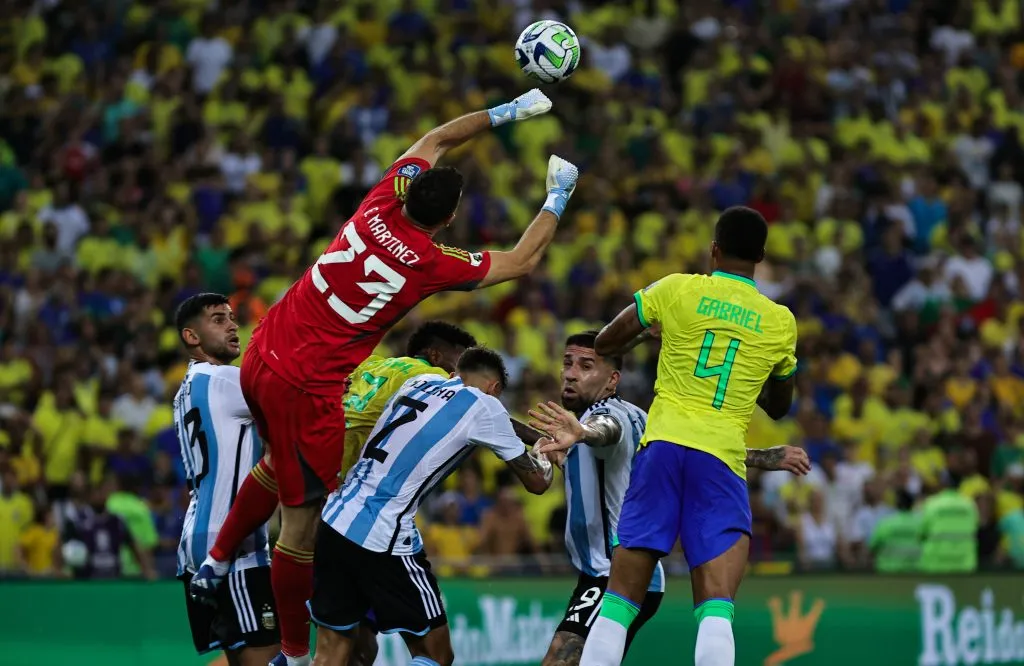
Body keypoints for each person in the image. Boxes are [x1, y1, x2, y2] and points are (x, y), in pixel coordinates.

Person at [192, 89, 579, 666]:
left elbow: (441, 137)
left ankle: (216, 560)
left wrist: (510, 111)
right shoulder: (430, 262)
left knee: (277, 466)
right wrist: (558, 193)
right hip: (308, 387)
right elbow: (522, 261)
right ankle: (295, 659)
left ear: (406, 187)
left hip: (263, 353)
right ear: (447, 219)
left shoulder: (376, 204)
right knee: (298, 531)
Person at [541, 207, 799, 666]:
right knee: (716, 607)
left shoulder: (677, 288)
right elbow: (780, 406)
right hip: (719, 459)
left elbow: (605, 342)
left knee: (619, 601)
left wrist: (655, 335)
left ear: (713, 249)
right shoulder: (779, 322)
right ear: (760, 255)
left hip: (660, 451)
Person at [528, 331, 810, 666]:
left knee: (561, 659)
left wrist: (583, 434)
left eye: (586, 365)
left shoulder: (606, 416)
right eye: (568, 363)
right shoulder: (642, 418)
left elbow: (605, 431)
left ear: (612, 379)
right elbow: (694, 449)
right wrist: (764, 457)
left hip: (614, 572)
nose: (572, 373)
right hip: (607, 570)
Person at [309, 347, 553, 666]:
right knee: (436, 654)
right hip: (382, 536)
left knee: (332, 651)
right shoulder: (486, 406)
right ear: (494, 389)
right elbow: (537, 483)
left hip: (334, 519)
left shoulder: (418, 382)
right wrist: (546, 456)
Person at [173, 293, 281, 666]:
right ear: (192, 336)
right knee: (267, 660)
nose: (233, 325)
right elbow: (296, 398)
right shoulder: (226, 380)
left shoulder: (186, 389)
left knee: (238, 657)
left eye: (233, 317)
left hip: (195, 539)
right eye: (218, 319)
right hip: (233, 545)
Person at [341, 321, 478, 476]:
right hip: (350, 458)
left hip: (322, 438)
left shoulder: (372, 363)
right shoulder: (433, 375)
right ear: (435, 356)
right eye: (460, 365)